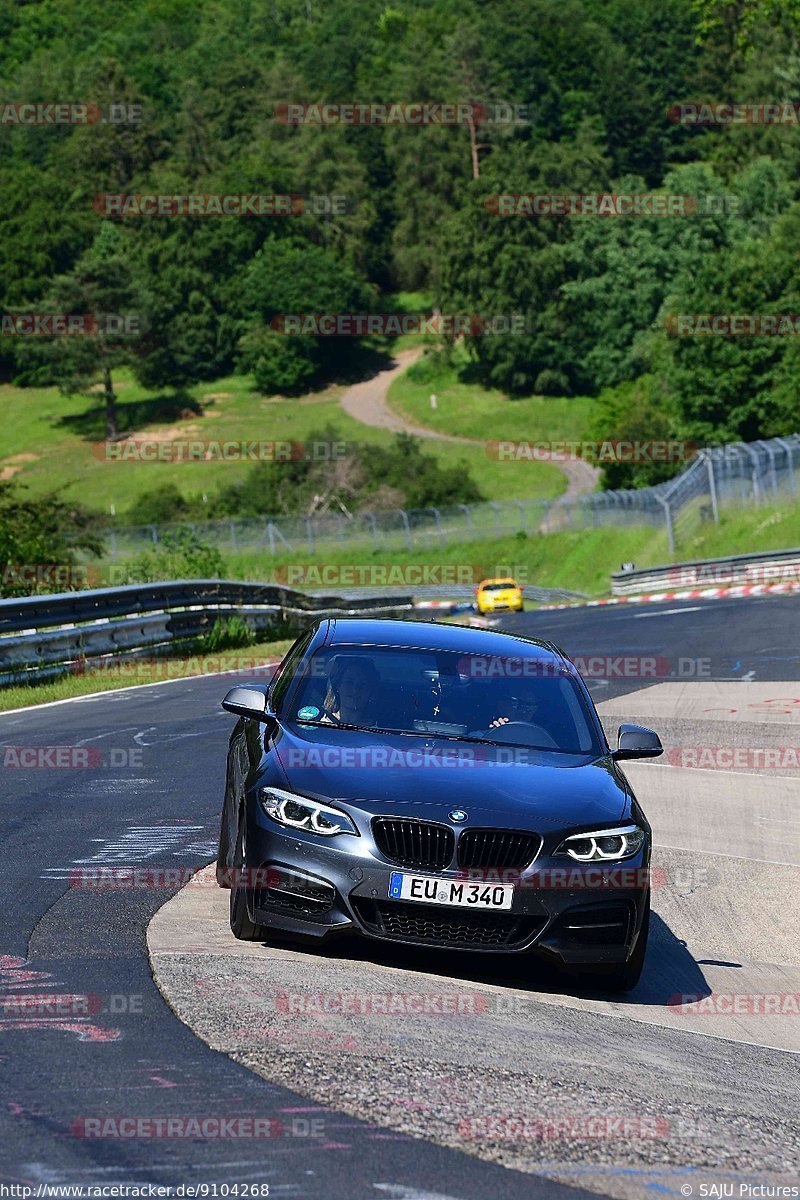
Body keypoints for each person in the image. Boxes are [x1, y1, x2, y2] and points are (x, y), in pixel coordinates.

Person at [321, 655, 381, 726]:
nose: (355, 690)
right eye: (349, 682)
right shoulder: (317, 724)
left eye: (362, 684)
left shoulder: (378, 732)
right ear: (338, 686)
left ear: (370, 691)